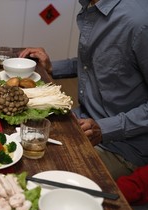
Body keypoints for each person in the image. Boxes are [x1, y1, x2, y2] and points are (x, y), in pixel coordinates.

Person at [19, 0, 148, 181]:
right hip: (82, 122)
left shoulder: (139, 21)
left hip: (123, 147)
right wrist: (51, 67)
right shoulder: (93, 6)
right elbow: (95, 63)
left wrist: (105, 129)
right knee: (18, 142)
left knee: (40, 177)